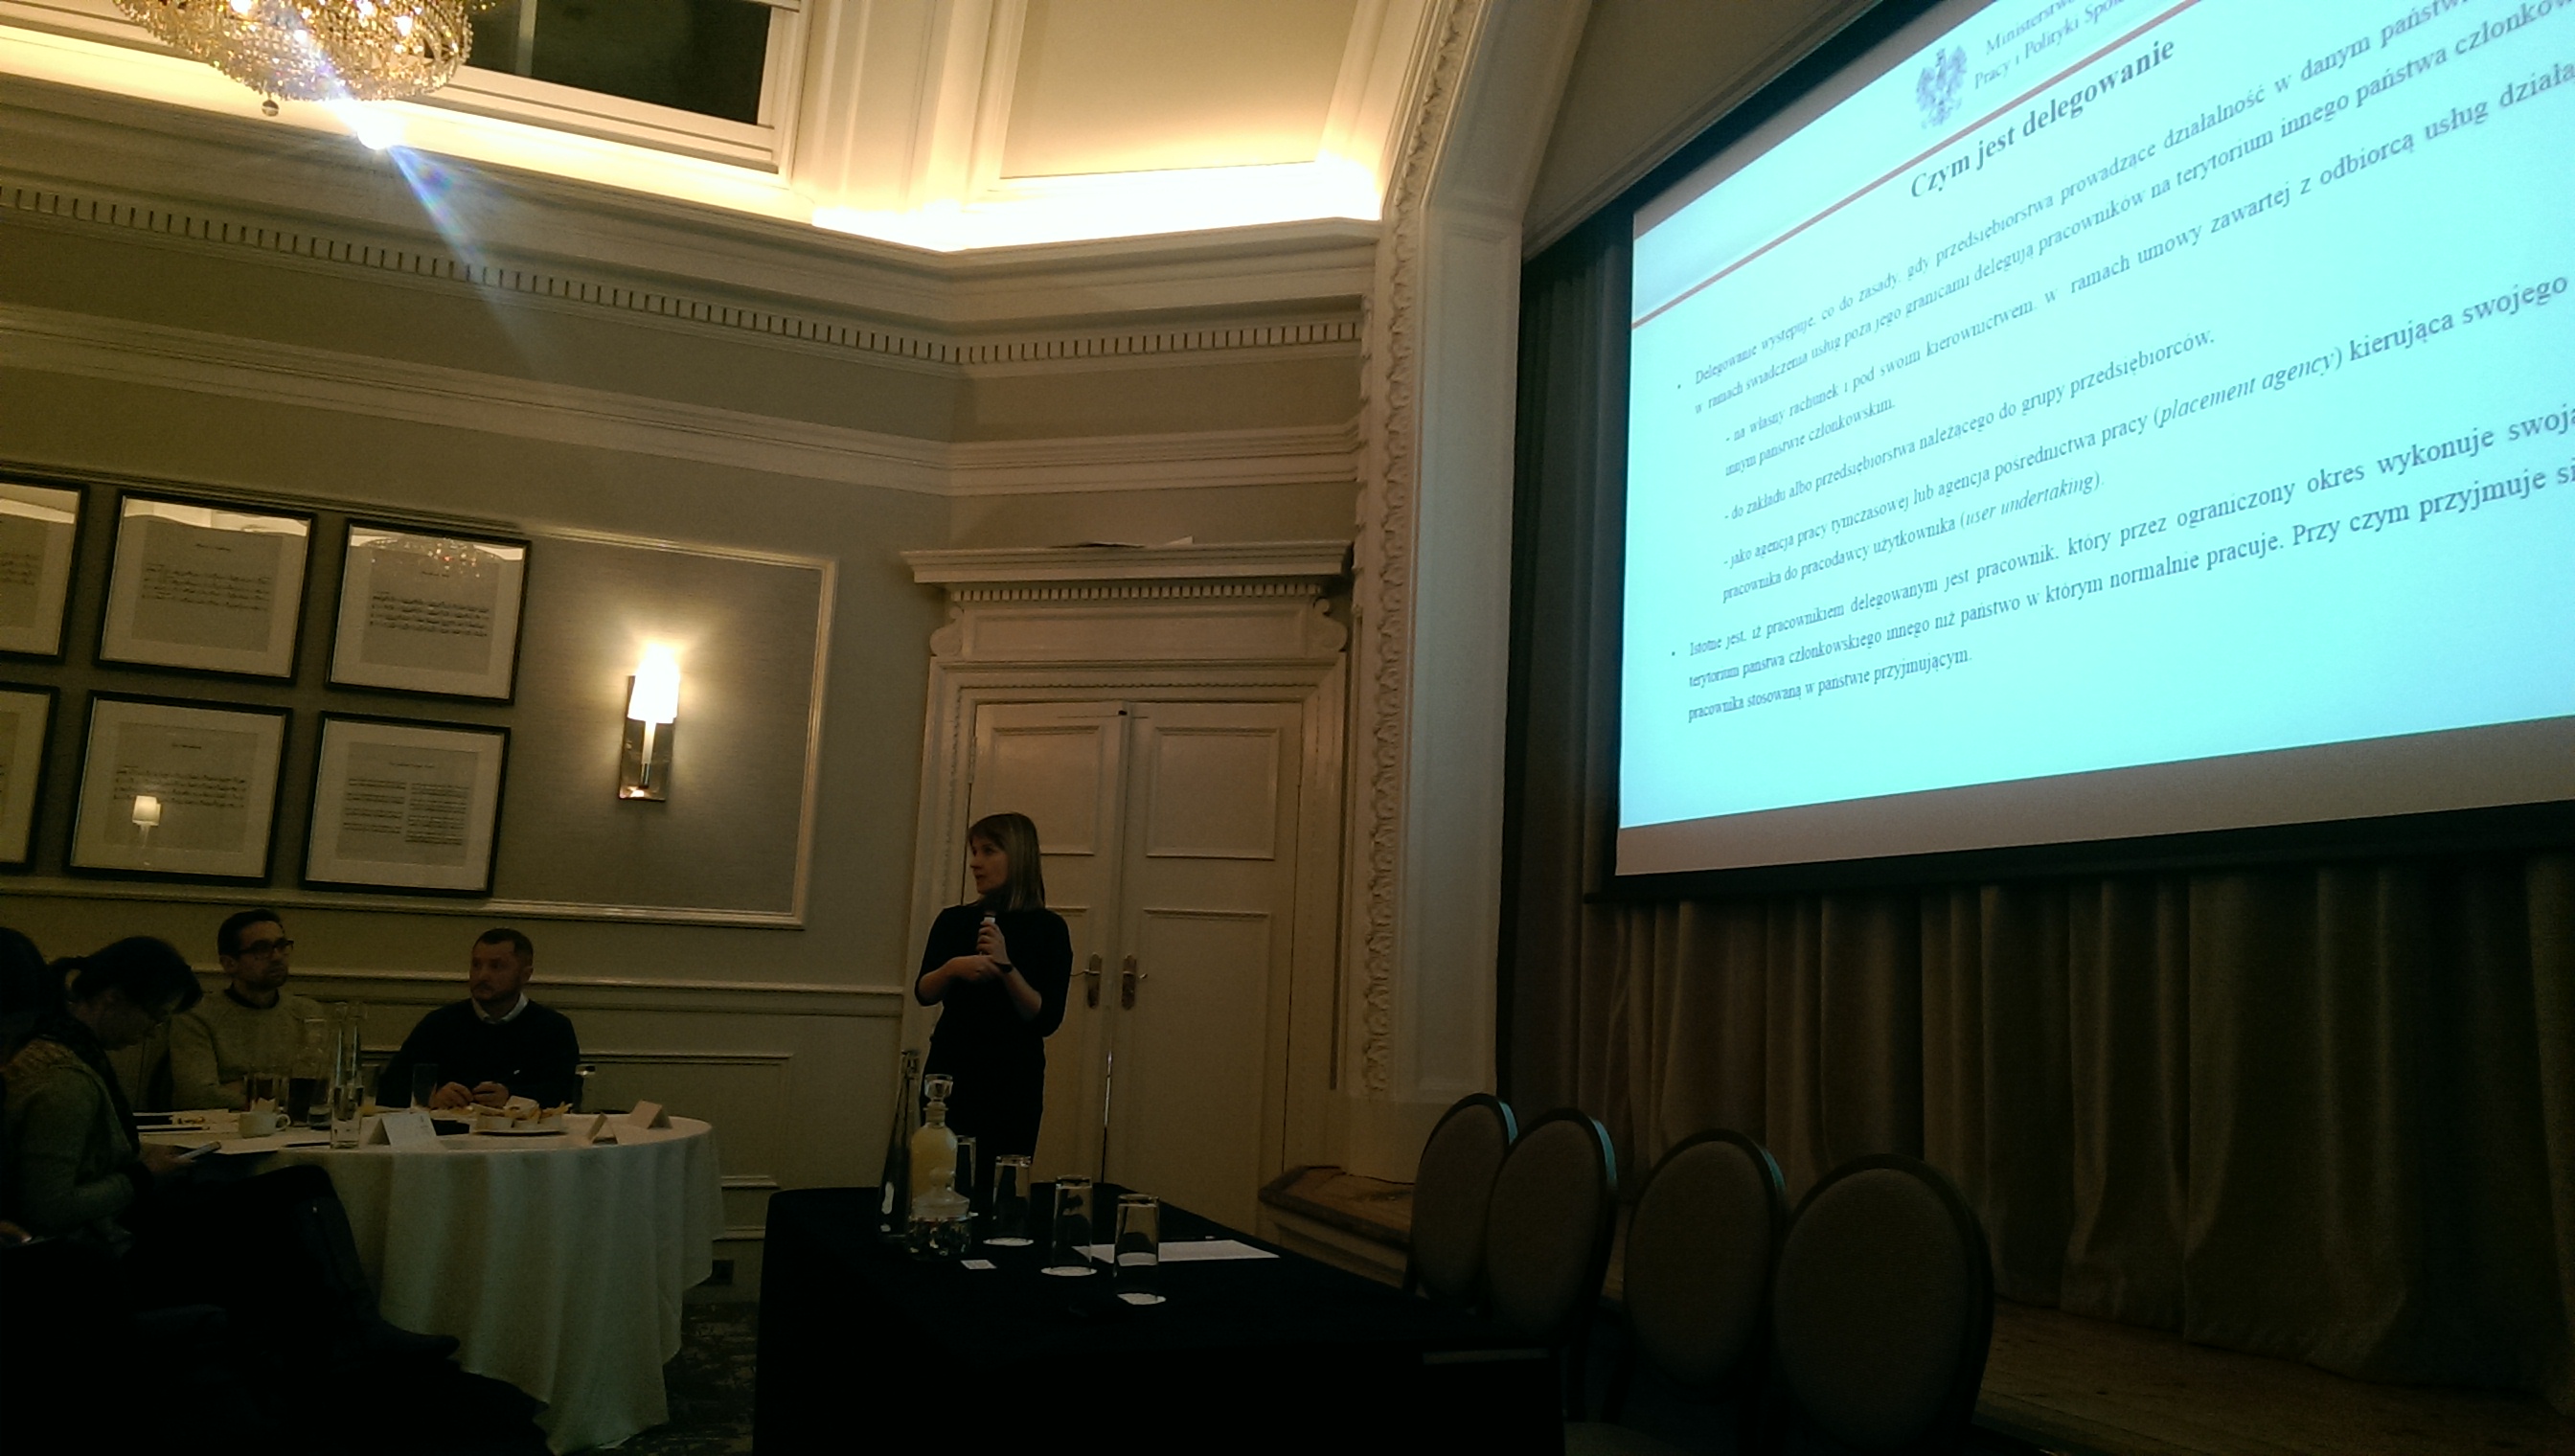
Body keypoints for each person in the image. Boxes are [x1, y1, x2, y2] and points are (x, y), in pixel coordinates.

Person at [1, 937, 203, 1249]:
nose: (153, 1032)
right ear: (113, 998)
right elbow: (50, 1208)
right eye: (155, 1017)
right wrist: (143, 1175)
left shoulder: (66, 1048)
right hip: (80, 1251)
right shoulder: (66, 1077)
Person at [913, 812, 1072, 1171]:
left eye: (988, 851)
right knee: (942, 1172)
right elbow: (924, 992)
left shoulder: (1049, 929)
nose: (975, 862)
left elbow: (1045, 1018)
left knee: (1005, 1175)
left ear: (1017, 856)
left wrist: (1006, 967)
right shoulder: (953, 920)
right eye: (974, 851)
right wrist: (953, 968)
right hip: (953, 1067)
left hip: (1013, 1074)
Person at [379, 929, 581, 1110]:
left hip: (522, 1136)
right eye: (476, 965)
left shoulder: (553, 1028)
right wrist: (430, 1096)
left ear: (525, 975)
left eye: (496, 966)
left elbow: (564, 1092)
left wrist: (512, 1097)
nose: (482, 976)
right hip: (449, 1133)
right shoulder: (440, 1023)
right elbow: (390, 1085)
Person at [169, 908, 325, 1111]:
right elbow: (197, 1095)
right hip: (222, 1126)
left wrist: (242, 1086)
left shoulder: (307, 1013)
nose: (277, 957)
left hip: (293, 1125)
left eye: (281, 945)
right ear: (229, 964)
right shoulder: (197, 1015)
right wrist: (281, 1092)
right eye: (261, 949)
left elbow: (320, 1088)